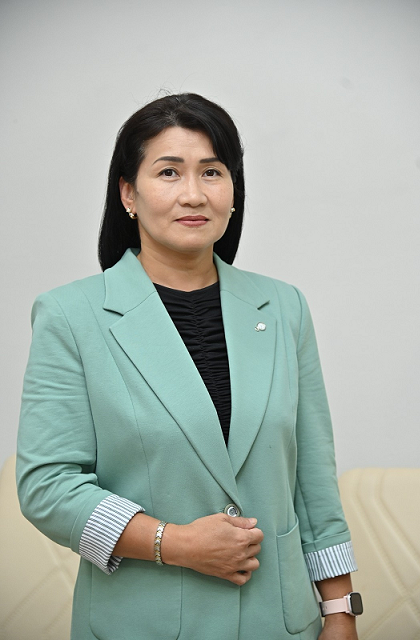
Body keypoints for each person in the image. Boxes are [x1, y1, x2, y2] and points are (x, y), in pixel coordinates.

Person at [17, 93, 361, 640]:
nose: (194, 194)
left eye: (212, 172)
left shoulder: (284, 307)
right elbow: (47, 486)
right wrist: (174, 543)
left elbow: (312, 477)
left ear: (233, 191)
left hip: (279, 622)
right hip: (140, 624)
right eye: (169, 172)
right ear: (128, 193)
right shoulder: (70, 315)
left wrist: (340, 610)